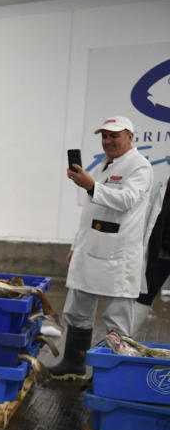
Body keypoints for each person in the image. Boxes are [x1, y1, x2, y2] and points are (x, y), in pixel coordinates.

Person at [51, 115, 154, 379]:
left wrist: (91, 186)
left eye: (114, 135)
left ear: (130, 137)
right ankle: (74, 363)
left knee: (117, 322)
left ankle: (112, 377)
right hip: (89, 251)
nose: (107, 141)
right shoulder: (104, 166)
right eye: (104, 136)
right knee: (77, 311)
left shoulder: (139, 167)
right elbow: (90, 213)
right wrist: (77, 246)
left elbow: (127, 200)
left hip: (117, 257)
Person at [133, 169, 170, 334]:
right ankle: (122, 342)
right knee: (144, 295)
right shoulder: (162, 184)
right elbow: (149, 216)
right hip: (160, 251)